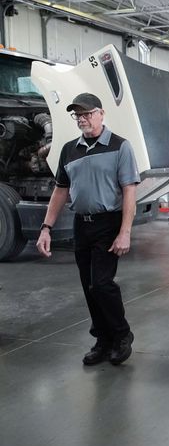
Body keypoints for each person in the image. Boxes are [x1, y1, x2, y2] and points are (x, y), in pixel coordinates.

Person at [36, 93, 139, 366]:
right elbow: (60, 191)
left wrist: (125, 231)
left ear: (101, 113)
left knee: (101, 283)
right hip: (81, 224)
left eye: (87, 114)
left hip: (109, 223)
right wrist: (46, 227)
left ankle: (122, 334)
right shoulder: (69, 150)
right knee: (88, 286)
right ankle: (103, 340)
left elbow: (129, 191)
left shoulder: (120, 146)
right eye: (78, 115)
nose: (83, 119)